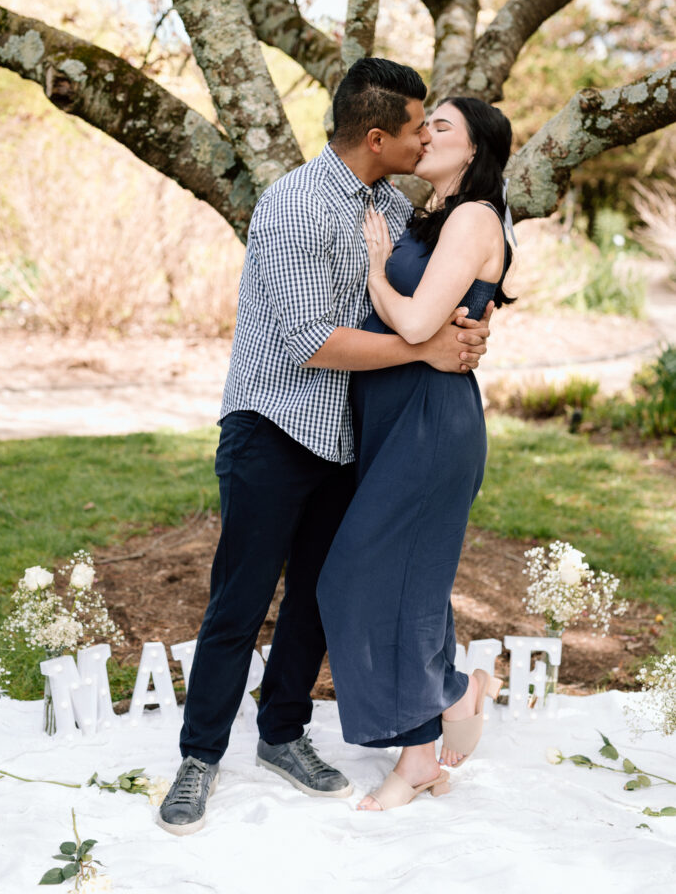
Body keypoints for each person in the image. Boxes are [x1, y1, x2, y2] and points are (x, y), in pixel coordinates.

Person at [157, 59, 493, 835]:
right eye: (415, 127)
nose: (423, 137)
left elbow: (422, 301)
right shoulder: (293, 206)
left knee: (317, 594)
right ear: (376, 136)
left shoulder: (394, 205)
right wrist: (426, 349)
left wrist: (465, 329)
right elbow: (312, 341)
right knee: (240, 601)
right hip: (273, 425)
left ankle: (282, 735)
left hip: (350, 438)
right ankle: (199, 757)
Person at [317, 95, 515, 811]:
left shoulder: (473, 216)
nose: (425, 133)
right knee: (409, 581)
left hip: (432, 423)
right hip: (398, 418)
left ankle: (420, 752)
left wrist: (376, 275)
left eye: (442, 127)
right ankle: (458, 694)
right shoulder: (428, 215)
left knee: (358, 577)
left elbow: (419, 321)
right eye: (422, 122)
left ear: (474, 151)